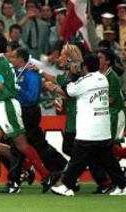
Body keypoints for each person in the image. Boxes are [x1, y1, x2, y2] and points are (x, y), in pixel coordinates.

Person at [0, 33, 53, 192]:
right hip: (1, 105)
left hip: (7, 106)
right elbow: (1, 87)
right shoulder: (1, 62)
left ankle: (47, 175)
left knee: (21, 144)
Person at [51, 54, 126, 196]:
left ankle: (67, 186)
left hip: (89, 129)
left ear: (85, 66)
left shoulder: (86, 81)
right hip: (103, 128)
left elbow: (70, 91)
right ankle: (122, 185)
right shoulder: (103, 78)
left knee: (77, 160)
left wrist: (72, 75)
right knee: (108, 160)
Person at [4, 47, 67, 193]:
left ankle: (14, 180)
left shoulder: (31, 74)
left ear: (21, 59)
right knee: (36, 143)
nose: (11, 59)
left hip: (29, 112)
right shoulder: (17, 72)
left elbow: (32, 97)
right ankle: (59, 167)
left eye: (13, 57)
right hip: (20, 111)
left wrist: (17, 88)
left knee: (18, 145)